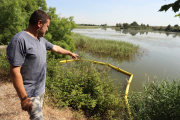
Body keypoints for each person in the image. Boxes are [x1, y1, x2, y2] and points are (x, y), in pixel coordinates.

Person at [6, 10, 79, 120]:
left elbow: (55, 48)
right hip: (30, 93)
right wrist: (24, 98)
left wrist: (70, 53)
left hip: (40, 89)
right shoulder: (20, 40)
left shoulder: (40, 39)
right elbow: (14, 71)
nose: (47, 29)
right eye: (47, 26)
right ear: (39, 23)